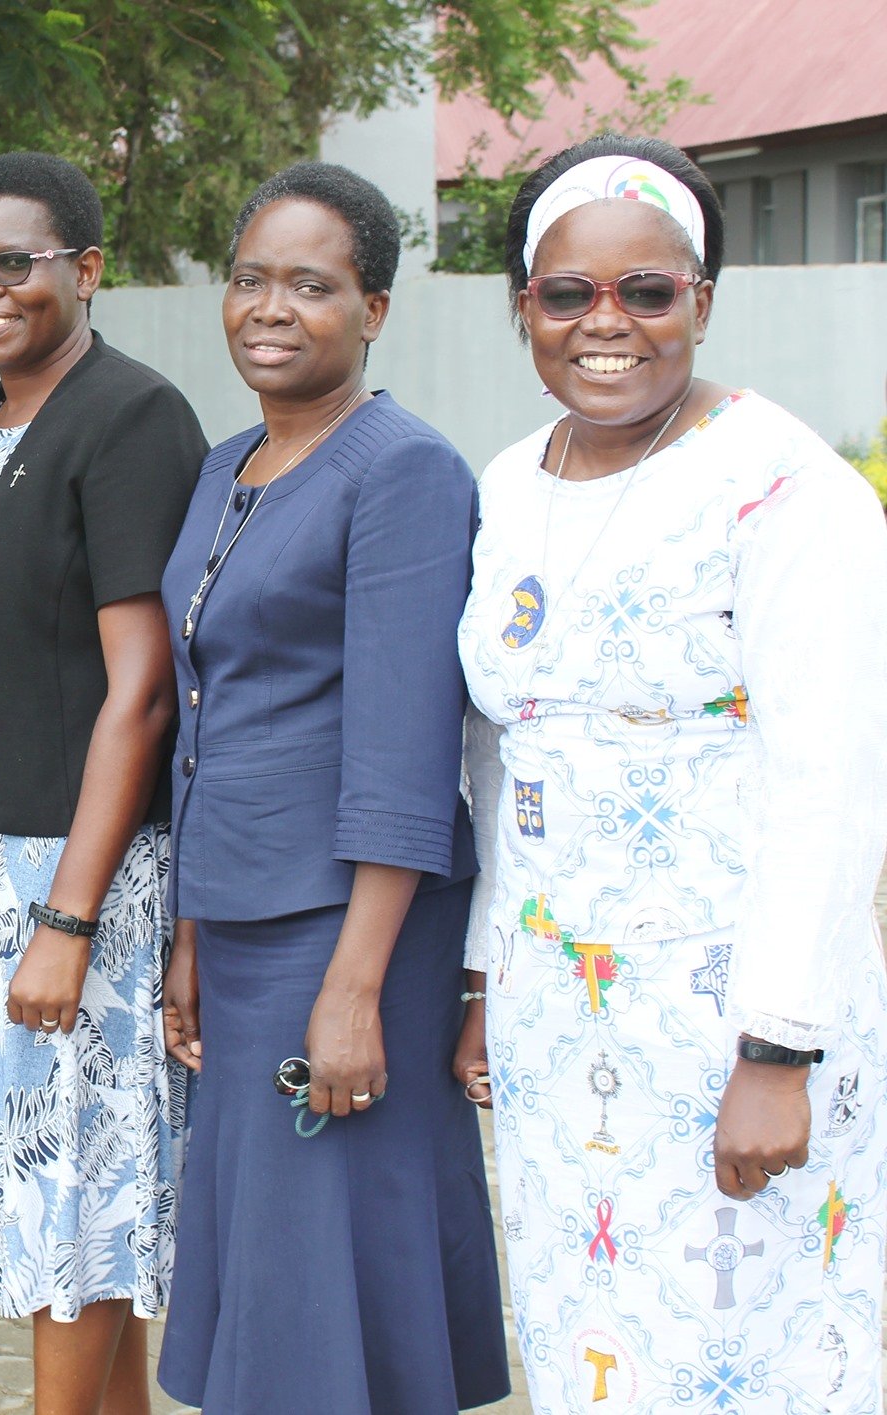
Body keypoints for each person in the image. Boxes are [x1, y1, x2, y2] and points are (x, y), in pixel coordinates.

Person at [457, 134, 887, 1413]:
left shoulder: (781, 488)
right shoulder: (504, 483)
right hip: (558, 1027)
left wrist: (777, 1045)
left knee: (748, 1353)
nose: (608, 323)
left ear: (698, 301)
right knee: (585, 1338)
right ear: (521, 306)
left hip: (727, 1022)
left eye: (646, 292)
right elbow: (497, 760)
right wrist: (484, 975)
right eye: (567, 293)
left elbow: (832, 779)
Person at [154, 163, 509, 1415]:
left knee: (330, 1269)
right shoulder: (225, 465)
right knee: (272, 1269)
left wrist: (354, 988)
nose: (269, 306)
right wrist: (189, 929)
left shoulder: (403, 470)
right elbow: (206, 712)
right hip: (242, 917)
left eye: (311, 283)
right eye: (250, 278)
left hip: (344, 927)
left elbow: (408, 750)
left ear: (373, 307)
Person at [0, 151, 202, 1415]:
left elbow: (142, 687)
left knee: (73, 1190)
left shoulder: (130, 415)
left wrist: (66, 921)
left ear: (85, 269)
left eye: (11, 263)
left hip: (76, 871)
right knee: (51, 1204)